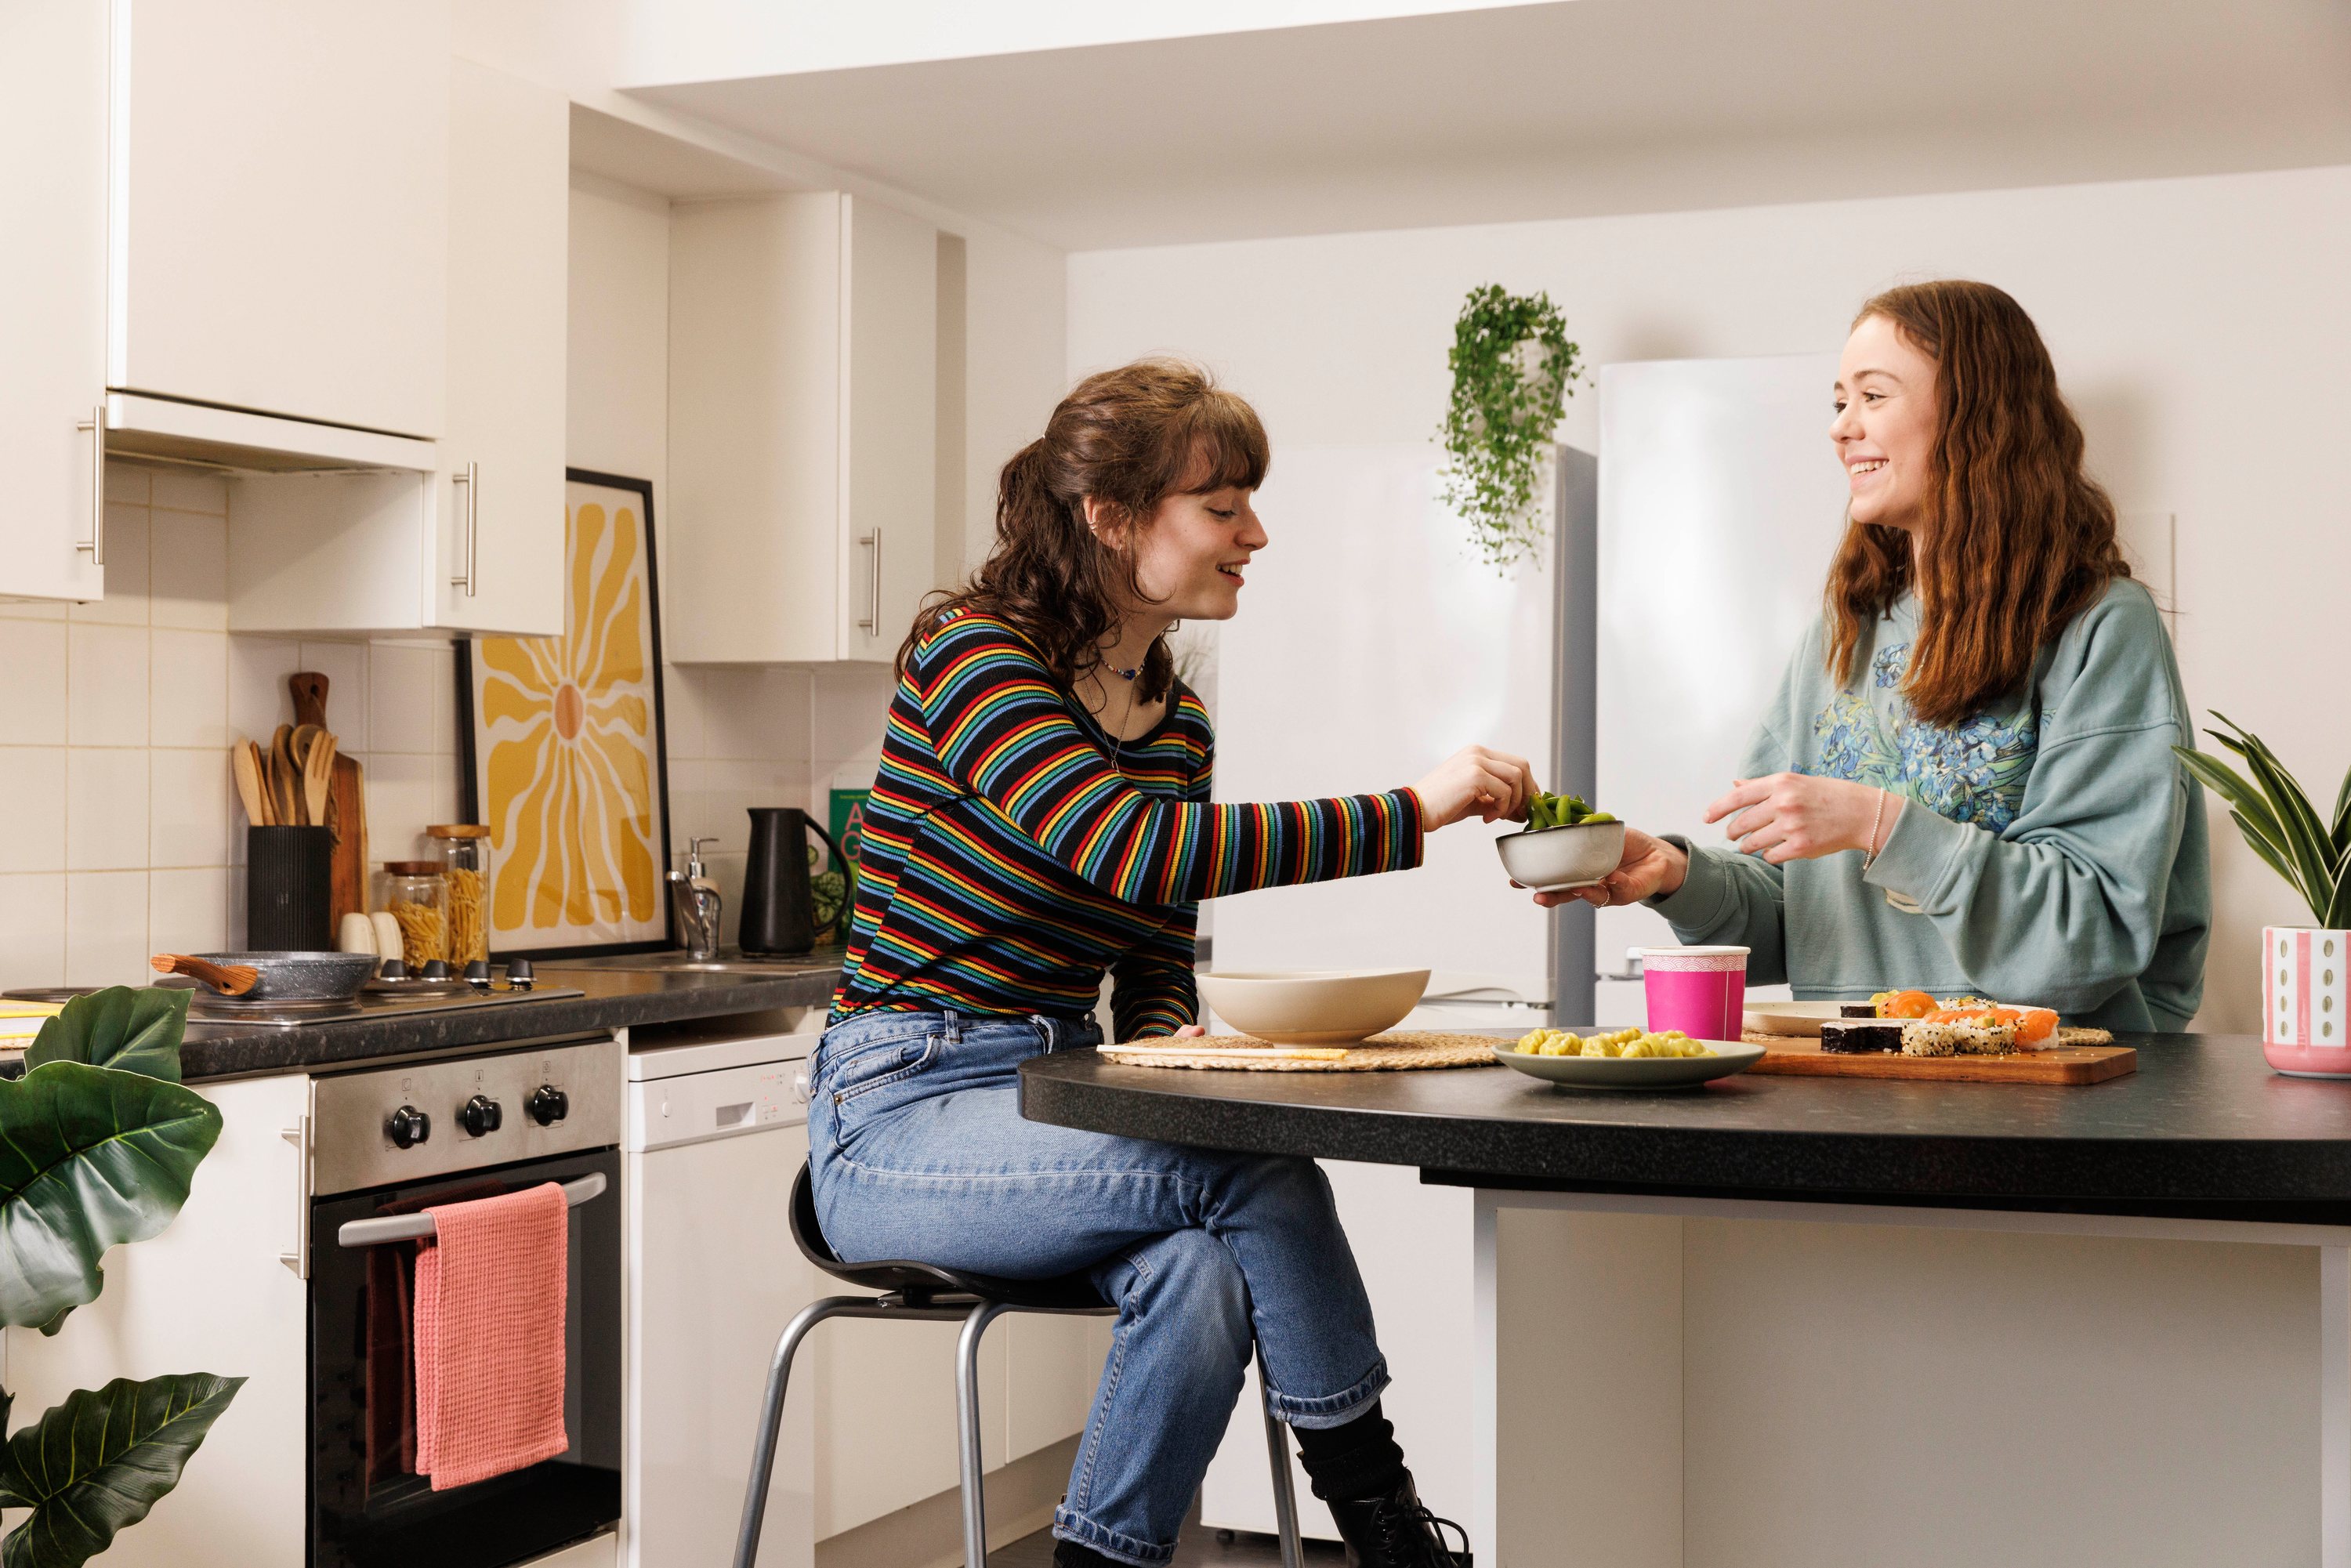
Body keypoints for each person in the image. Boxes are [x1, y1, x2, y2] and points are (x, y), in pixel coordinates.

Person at [810, 359, 1525, 1568]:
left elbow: (1150, 933)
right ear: (1113, 517)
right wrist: (1412, 808)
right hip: (897, 1109)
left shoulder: (1175, 717)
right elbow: (1126, 845)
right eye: (1223, 503)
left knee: (1197, 1274)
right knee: (1259, 1173)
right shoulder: (973, 653)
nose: (1256, 531)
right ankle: (1392, 1534)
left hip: (1067, 1085)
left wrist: (1162, 1027)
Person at [1541, 280, 2208, 1027]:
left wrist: (1883, 823)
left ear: (1973, 418)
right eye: (1838, 402)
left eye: (1873, 396)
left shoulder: (2102, 630)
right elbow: (1799, 922)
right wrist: (1677, 878)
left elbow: (2090, 939)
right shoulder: (1842, 632)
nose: (1841, 428)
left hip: (2049, 1112)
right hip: (1856, 1096)